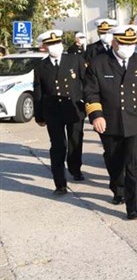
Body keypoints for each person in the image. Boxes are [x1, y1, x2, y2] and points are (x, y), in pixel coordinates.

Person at [83, 25, 137, 220]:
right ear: (115, 43)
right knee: (114, 160)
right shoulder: (98, 63)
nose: (129, 47)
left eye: (132, 43)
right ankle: (119, 189)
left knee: (134, 162)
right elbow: (91, 92)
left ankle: (134, 207)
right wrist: (96, 115)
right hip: (110, 122)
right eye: (124, 44)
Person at [32, 30, 86, 195]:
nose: (56, 46)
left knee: (75, 141)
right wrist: (39, 115)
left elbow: (86, 83)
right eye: (51, 44)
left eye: (58, 43)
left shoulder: (74, 59)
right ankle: (60, 183)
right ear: (45, 46)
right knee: (57, 146)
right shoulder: (41, 66)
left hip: (74, 108)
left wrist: (91, 106)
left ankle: (75, 168)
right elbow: (38, 93)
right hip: (53, 111)